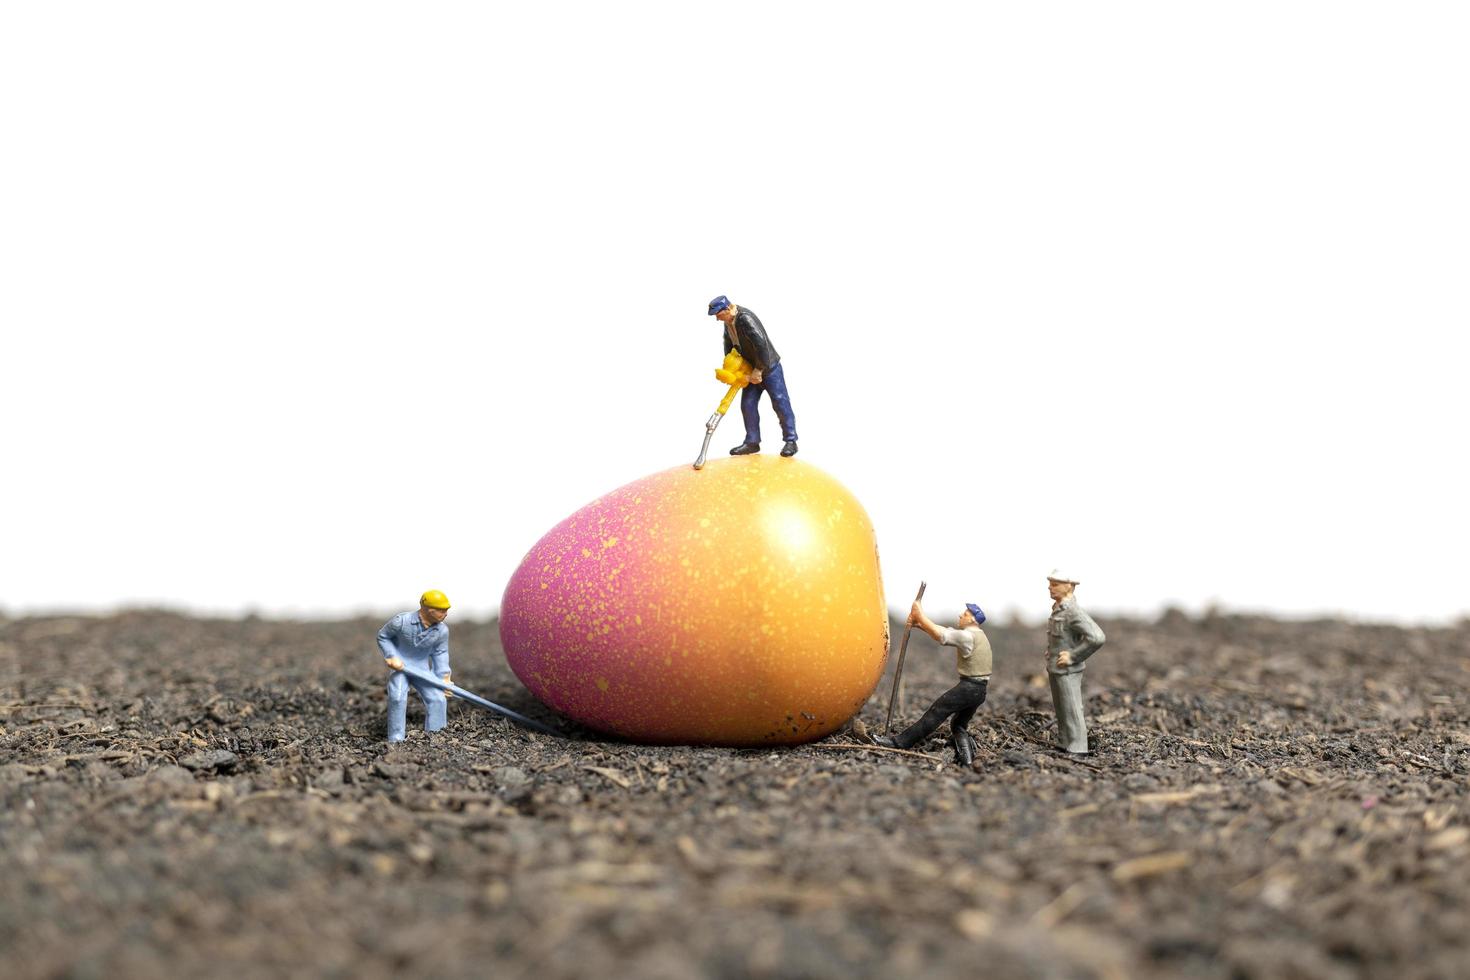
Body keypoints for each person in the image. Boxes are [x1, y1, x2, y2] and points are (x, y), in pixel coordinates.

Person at [876, 598, 992, 764]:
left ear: (972, 619)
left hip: (968, 688)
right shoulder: (979, 636)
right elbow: (942, 632)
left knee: (936, 713)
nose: (961, 615)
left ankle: (899, 743)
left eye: (965, 614)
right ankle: (967, 760)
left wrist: (920, 615)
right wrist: (921, 625)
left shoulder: (968, 636)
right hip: (980, 691)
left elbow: (942, 635)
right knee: (958, 725)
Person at [707, 295, 798, 457]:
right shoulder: (728, 322)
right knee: (747, 404)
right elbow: (729, 345)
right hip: (749, 371)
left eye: (718, 315)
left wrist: (759, 369)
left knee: (780, 402)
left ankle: (790, 440)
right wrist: (732, 369)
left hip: (769, 368)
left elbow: (761, 344)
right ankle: (752, 442)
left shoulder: (745, 319)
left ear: (728, 309)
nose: (717, 319)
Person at [1043, 570, 1106, 755]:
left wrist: (1073, 656)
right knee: (1061, 707)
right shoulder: (1058, 608)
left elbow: (1097, 637)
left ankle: (1078, 747)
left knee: (1071, 708)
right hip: (1055, 666)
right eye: (1050, 583)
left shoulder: (1072, 612)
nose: (1050, 587)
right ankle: (1065, 741)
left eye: (1055, 584)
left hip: (1068, 669)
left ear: (1069, 586)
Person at [378, 590, 453, 743]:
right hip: (401, 667)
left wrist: (444, 677)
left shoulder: (442, 631)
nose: (445, 614)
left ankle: (436, 737)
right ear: (428, 609)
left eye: (446, 610)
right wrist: (392, 656)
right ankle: (396, 739)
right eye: (441, 610)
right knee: (397, 697)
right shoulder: (401, 621)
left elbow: (440, 653)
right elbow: (383, 637)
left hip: (422, 669)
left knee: (438, 699)